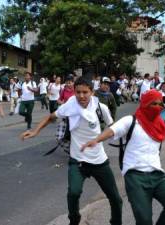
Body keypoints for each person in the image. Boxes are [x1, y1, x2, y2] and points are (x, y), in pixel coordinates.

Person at [21, 78, 122, 225]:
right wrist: (35, 131)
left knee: (115, 198)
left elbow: (114, 128)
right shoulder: (69, 106)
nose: (81, 96)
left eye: (85, 92)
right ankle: (74, 220)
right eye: (78, 92)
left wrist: (106, 138)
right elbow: (51, 117)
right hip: (78, 161)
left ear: (92, 92)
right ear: (74, 92)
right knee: (73, 193)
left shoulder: (101, 108)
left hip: (99, 161)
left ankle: (116, 222)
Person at [82, 89, 165, 225]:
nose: (157, 107)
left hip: (157, 173)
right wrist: (96, 140)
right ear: (145, 104)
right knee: (144, 220)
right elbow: (112, 130)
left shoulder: (160, 126)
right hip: (134, 175)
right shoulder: (131, 121)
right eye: (153, 104)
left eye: (159, 104)